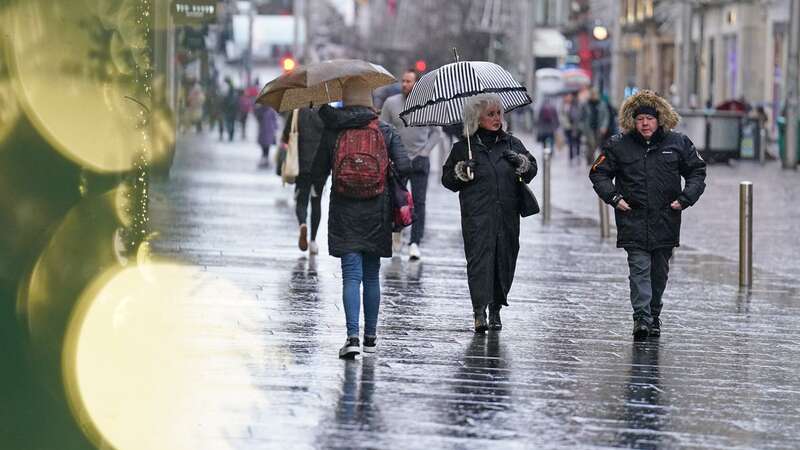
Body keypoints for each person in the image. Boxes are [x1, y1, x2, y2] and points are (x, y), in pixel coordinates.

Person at [589, 90, 707, 340]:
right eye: (640, 118)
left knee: (659, 271)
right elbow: (598, 173)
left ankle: (654, 312)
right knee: (639, 268)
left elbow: (697, 171)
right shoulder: (618, 144)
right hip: (633, 219)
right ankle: (641, 317)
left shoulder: (678, 143)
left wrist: (685, 199)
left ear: (660, 118)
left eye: (650, 118)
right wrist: (615, 198)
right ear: (632, 120)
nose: (645, 123)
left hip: (666, 219)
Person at [312, 76, 411, 358]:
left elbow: (318, 171)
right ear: (370, 101)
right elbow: (404, 167)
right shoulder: (385, 130)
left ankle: (352, 337)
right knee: (371, 275)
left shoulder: (333, 130)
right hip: (377, 210)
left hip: (345, 210)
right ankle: (370, 337)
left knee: (351, 275)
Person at [441, 93, 537, 333]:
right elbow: (447, 180)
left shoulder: (511, 143)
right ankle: (479, 311)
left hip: (507, 215)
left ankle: (496, 308)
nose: (497, 118)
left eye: (498, 114)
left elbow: (531, 169)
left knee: (504, 260)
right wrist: (462, 170)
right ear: (477, 118)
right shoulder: (464, 147)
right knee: (479, 262)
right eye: (491, 114)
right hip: (477, 216)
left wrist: (521, 163)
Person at [380, 69, 440, 260]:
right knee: (396, 200)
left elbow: (436, 132)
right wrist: (388, 152)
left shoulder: (427, 105)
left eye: (409, 81)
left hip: (420, 161)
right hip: (397, 160)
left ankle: (415, 242)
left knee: (419, 203)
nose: (405, 84)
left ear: (417, 84)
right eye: (403, 81)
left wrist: (425, 151)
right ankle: (396, 233)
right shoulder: (391, 103)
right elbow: (382, 129)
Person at [281, 107, 325, 253]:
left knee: (301, 200)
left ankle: (302, 224)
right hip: (320, 167)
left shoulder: (296, 111)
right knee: (316, 201)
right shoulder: (326, 112)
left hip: (301, 165)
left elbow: (286, 137)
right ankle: (313, 241)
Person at [580, 88, 611, 165]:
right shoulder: (586, 104)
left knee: (596, 144)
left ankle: (593, 159)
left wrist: (604, 126)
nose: (593, 96)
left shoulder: (602, 104)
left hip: (598, 128)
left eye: (595, 94)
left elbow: (606, 116)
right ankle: (590, 161)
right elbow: (581, 117)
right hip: (589, 128)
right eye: (592, 94)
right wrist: (582, 127)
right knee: (591, 144)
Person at [254, 103, 279, 168]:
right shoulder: (261, 110)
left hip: (268, 131)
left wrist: (275, 127)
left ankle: (265, 159)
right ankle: (265, 158)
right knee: (264, 146)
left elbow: (274, 119)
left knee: (267, 146)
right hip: (264, 130)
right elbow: (257, 117)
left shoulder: (270, 110)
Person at [560, 93, 582, 162]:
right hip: (568, 127)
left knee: (577, 141)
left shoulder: (576, 104)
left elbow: (579, 115)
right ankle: (571, 157)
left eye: (570, 97)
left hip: (576, 126)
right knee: (570, 142)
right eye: (568, 97)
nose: (569, 98)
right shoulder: (563, 105)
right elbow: (562, 116)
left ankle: (577, 155)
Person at [222, 77, 239, 142]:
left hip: (230, 110)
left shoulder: (228, 91)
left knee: (230, 123)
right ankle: (231, 135)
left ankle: (230, 135)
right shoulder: (233, 92)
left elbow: (227, 101)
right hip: (232, 111)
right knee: (231, 123)